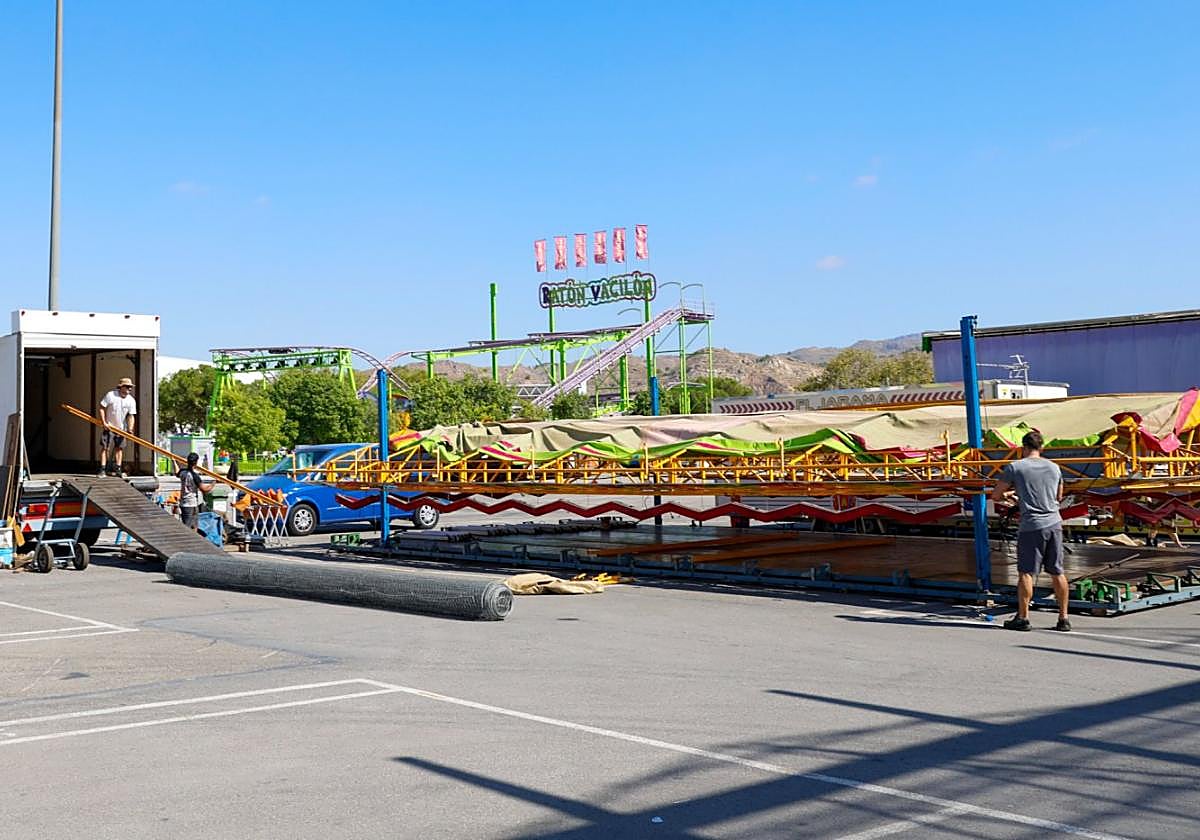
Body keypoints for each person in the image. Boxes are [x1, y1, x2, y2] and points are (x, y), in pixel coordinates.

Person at [991, 430, 1070, 632]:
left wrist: (1013, 496)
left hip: (1031, 527)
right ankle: (1063, 619)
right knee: (1057, 571)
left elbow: (996, 496)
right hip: (1054, 524)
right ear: (1041, 448)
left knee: (1026, 572)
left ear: (1023, 448)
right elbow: (1057, 497)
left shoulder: (1015, 467)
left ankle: (1023, 618)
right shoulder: (1055, 468)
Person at [98, 377, 137, 477]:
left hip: (121, 428)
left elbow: (131, 415)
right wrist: (104, 423)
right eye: (127, 387)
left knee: (119, 448)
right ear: (121, 387)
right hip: (109, 426)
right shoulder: (111, 395)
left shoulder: (131, 400)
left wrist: (130, 429)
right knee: (105, 447)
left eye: (130, 387)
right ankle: (102, 469)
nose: (129, 389)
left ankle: (118, 469)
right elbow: (102, 408)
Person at [177, 452, 214, 531]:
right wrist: (214, 483)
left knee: (186, 525)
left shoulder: (182, 472)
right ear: (196, 462)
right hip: (191, 503)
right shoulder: (194, 476)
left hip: (183, 503)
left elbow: (177, 473)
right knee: (193, 527)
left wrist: (173, 461)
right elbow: (204, 489)